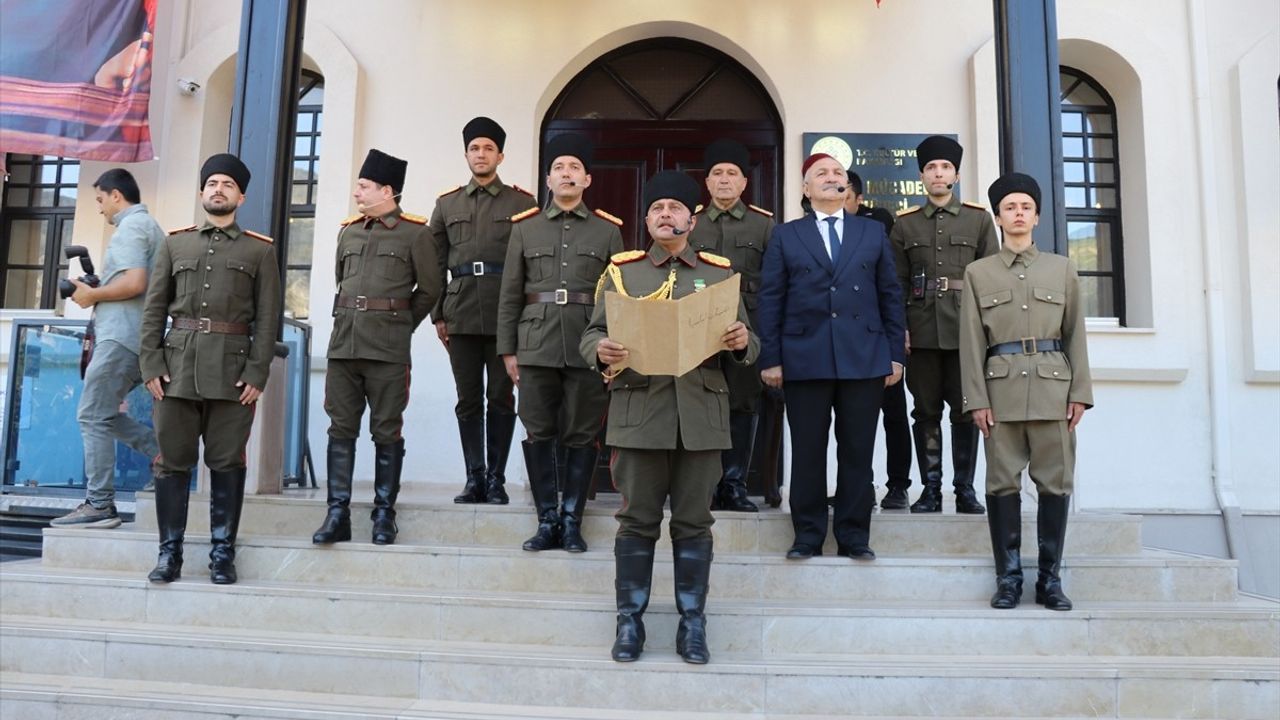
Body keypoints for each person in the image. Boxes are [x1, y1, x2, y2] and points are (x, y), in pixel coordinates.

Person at [580, 170, 757, 665]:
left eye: (674, 207)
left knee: (694, 522)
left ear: (691, 219)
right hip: (640, 413)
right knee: (636, 521)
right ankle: (629, 623)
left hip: (700, 416)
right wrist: (601, 349)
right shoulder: (624, 272)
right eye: (656, 208)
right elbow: (591, 333)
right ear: (646, 220)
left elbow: (749, 341)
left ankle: (692, 624)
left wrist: (743, 342)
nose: (665, 214)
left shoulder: (718, 274)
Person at [138, 153, 281, 585]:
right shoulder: (175, 244)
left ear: (241, 196)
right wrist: (151, 364)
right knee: (172, 463)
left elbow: (268, 319)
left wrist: (257, 372)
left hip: (233, 376)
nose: (219, 190)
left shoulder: (259, 250)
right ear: (202, 192)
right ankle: (169, 555)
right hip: (175, 371)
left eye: (228, 185)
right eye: (213, 183)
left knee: (227, 462)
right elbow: (154, 309)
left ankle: (222, 554)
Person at [756, 153, 905, 561]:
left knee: (857, 450)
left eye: (837, 172)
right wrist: (771, 357)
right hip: (804, 356)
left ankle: (854, 536)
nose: (831, 177)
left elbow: (890, 295)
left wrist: (895, 355)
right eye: (820, 173)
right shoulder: (786, 235)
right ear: (806, 189)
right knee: (807, 451)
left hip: (864, 356)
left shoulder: (872, 232)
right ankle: (807, 535)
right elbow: (770, 300)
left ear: (847, 187)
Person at [959, 172, 1093, 611]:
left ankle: (1050, 580)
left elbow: (1075, 335)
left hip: (1055, 391)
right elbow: (971, 342)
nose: (1018, 214)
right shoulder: (978, 273)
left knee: (1055, 484)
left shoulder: (1062, 268)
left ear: (1036, 217)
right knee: (1001, 485)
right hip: (1000, 395)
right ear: (998, 217)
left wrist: (1080, 392)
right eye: (1010, 208)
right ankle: (1009, 579)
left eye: (1026, 207)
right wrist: (976, 399)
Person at [496, 133, 623, 553]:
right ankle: (546, 520)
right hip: (535, 344)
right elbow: (510, 293)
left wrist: (612, 350)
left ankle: (571, 521)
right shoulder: (525, 228)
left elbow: (616, 299)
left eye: (574, 168)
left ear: (587, 179)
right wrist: (508, 350)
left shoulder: (608, 231)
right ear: (548, 179)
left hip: (588, 344)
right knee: (538, 430)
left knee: (582, 433)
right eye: (558, 168)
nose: (566, 174)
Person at [311, 149, 441, 547]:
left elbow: (430, 289)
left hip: (387, 351)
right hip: (344, 348)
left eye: (364, 186)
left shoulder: (416, 234)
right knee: (340, 428)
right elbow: (341, 281)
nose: (357, 193)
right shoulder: (348, 232)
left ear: (387, 191)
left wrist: (398, 325)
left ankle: (384, 514)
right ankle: (337, 513)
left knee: (386, 429)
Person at [430, 117, 538, 506]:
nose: (481, 154)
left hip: (503, 314)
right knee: (468, 399)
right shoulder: (447, 204)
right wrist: (438, 314)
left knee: (501, 397)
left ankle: (496, 479)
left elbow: (532, 265)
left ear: (500, 156)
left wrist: (526, 317)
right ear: (466, 155)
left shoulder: (522, 203)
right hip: (460, 312)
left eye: (488, 148)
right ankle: (474, 478)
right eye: (474, 148)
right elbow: (434, 263)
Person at [889, 135, 997, 515]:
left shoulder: (978, 219)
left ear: (956, 175)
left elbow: (991, 279)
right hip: (920, 331)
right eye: (931, 167)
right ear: (922, 176)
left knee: (966, 411)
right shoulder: (904, 224)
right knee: (925, 411)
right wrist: (899, 328)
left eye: (945, 167)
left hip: (966, 331)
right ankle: (931, 489)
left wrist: (987, 331)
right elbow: (896, 282)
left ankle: (964, 489)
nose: (938, 173)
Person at [51, 168, 163, 529]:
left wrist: (92, 294)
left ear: (116, 195)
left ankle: (99, 503)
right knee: (101, 413)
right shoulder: (148, 227)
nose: (99, 208)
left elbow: (135, 282)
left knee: (90, 415)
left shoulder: (131, 227)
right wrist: (100, 286)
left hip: (122, 338)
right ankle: (163, 454)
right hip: (135, 337)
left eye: (100, 199)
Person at [689, 138, 775, 513]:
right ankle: (704, 485)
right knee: (700, 402)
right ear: (707, 182)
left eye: (732, 173)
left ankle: (734, 485)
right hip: (698, 327)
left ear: (744, 182)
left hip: (746, 328)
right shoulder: (690, 222)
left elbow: (775, 285)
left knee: (742, 403)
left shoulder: (764, 224)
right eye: (717, 173)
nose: (724, 180)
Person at [843, 172, 913, 509]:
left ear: (859, 200)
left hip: (880, 334)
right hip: (843, 338)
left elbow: (892, 285)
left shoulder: (878, 225)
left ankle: (898, 485)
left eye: (845, 195)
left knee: (893, 412)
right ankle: (859, 487)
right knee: (850, 418)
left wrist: (899, 333)